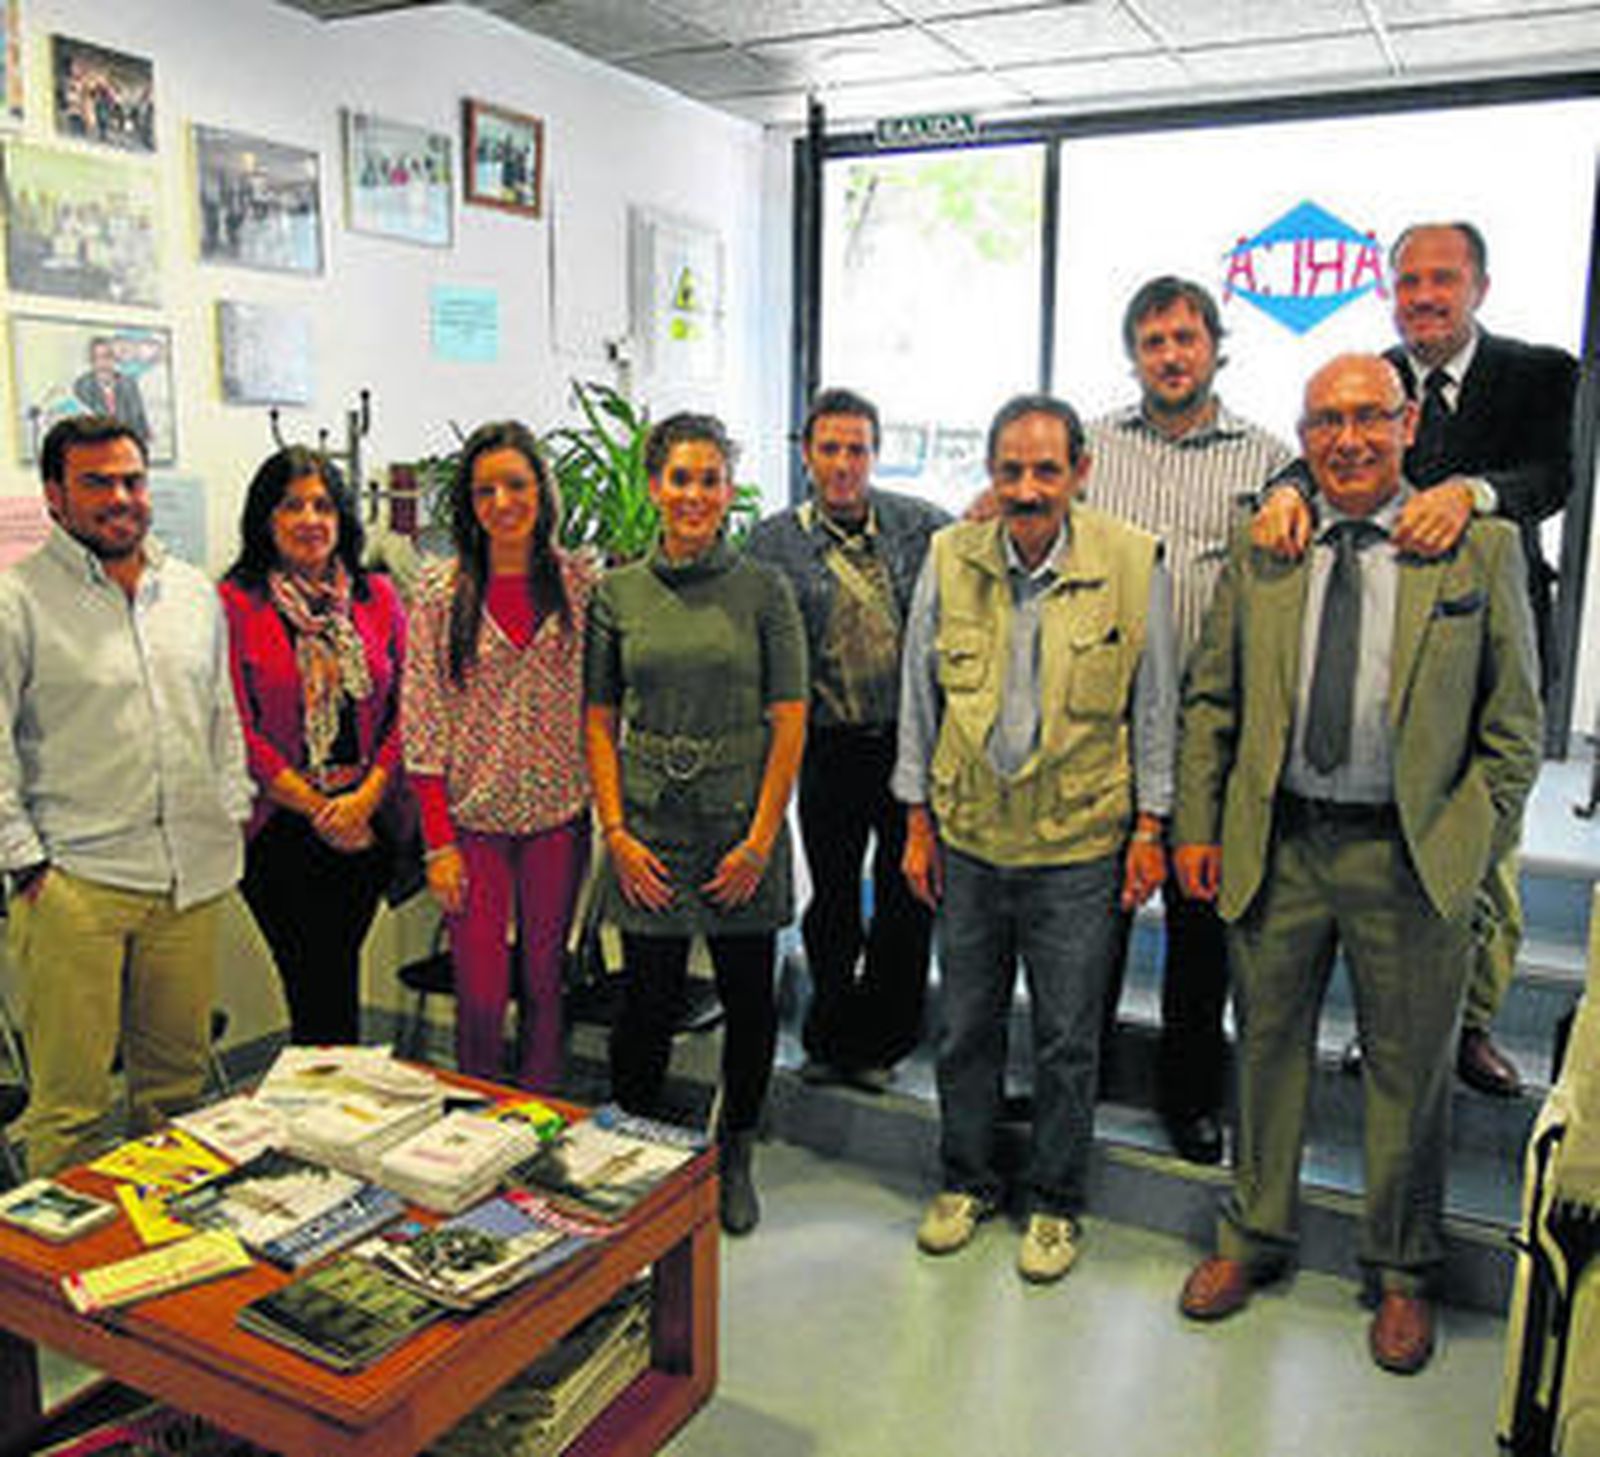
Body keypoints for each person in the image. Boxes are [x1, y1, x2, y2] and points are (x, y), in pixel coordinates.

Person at [1174, 354, 1541, 1373]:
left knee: (1409, 1072)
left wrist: (1468, 836)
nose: (1347, 439)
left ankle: (1402, 1270)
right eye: (1325, 420)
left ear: (1408, 422)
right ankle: (1250, 1237)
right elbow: (1212, 700)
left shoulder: (1478, 547)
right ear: (1302, 435)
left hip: (1409, 855)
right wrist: (1197, 824)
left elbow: (1516, 726)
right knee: (1265, 1053)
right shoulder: (1267, 550)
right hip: (1280, 842)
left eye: (1368, 418)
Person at [1252, 222, 1578, 1098]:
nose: (1424, 296)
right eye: (1408, 282)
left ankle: (1467, 1023)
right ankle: (1387, 1020)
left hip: (1484, 638)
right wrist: (1285, 490)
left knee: (1484, 853)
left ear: (1479, 284)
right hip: (1385, 650)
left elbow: (1557, 474)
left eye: (1443, 279)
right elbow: (1318, 451)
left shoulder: (1541, 371)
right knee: (1389, 859)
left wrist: (1471, 495)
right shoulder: (1377, 377)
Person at [895, 393, 1177, 1284]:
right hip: (971, 836)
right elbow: (919, 696)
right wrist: (915, 820)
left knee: (1065, 1037)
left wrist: (1151, 827)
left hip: (1080, 846)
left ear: (1079, 473)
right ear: (991, 472)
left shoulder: (1133, 563)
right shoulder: (949, 556)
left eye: (1046, 469)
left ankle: (1056, 1201)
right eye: (1010, 469)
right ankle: (967, 1178)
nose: (1026, 487)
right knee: (966, 1024)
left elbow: (1157, 704)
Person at [0, 416, 250, 1174]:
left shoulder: (191, 592)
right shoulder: (18, 601)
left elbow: (220, 716)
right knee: (71, 1110)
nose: (121, 497)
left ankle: (161, 1272)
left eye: (132, 480)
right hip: (77, 886)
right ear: (54, 495)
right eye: (97, 482)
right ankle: (51, 1286)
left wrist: (230, 811)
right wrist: (28, 866)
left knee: (176, 1101)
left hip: (187, 883)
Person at [583, 413, 807, 1236]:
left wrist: (758, 839)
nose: (694, 494)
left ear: (728, 489)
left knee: (751, 1001)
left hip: (739, 824)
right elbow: (599, 718)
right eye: (680, 477)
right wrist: (616, 831)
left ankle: (735, 1149)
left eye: (710, 478)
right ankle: (637, 1154)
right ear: (654, 486)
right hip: (647, 828)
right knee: (646, 999)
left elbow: (790, 718)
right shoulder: (617, 593)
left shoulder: (764, 591)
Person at [1087, 277, 1293, 1165]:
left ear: (1216, 345)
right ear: (1133, 353)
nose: (1170, 354)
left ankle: (1189, 1096)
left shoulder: (1271, 459)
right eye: (1153, 340)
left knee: (1201, 925)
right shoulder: (1089, 448)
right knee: (1088, 922)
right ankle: (1076, 1070)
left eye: (1185, 337)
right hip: (1103, 720)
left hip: (1216, 730)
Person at [747, 387, 949, 1093]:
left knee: (906, 897)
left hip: (908, 746)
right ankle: (829, 1035)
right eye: (828, 448)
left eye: (856, 448)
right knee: (832, 897)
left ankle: (884, 1042)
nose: (842, 463)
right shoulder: (770, 541)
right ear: (806, 455)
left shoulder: (922, 527)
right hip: (826, 749)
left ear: (875, 452)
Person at [402, 421, 596, 1088]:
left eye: (516, 484)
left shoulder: (581, 584)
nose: (502, 502)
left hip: (557, 817)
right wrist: (437, 843)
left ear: (541, 490)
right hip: (470, 825)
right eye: (485, 490)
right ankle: (476, 1121)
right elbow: (422, 721)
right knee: (482, 994)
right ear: (469, 502)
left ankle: (540, 1112)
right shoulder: (439, 591)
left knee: (545, 983)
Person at [220, 446, 408, 1046]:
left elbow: (412, 707)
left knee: (335, 976)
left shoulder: (378, 597)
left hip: (367, 823)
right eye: (292, 505)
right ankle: (327, 1119)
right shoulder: (233, 602)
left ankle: (334, 1120)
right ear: (265, 519)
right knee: (314, 985)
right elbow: (232, 723)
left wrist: (367, 796)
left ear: (343, 517)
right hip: (279, 828)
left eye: (324, 505)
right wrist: (317, 806)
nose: (310, 519)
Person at [73, 337, 151, 446]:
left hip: (128, 450)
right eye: (96, 358)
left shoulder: (129, 385)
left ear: (115, 359)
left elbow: (140, 424)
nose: (102, 363)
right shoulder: (83, 386)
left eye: (107, 357)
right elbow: (85, 428)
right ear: (91, 362)